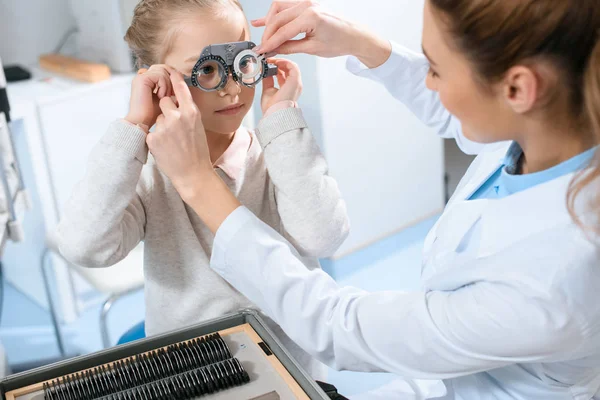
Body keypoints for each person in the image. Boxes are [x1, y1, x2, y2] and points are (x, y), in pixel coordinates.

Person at [131, 0, 600, 398]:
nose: (429, 83)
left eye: (435, 67)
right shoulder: (556, 128)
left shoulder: (555, 283)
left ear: (518, 88)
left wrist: (196, 182)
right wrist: (358, 42)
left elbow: (339, 324)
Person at [56, 0, 350, 380]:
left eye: (243, 61)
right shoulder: (146, 172)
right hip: (189, 368)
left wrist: (280, 115)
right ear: (156, 79)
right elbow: (85, 246)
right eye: (207, 69)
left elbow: (323, 237)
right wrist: (135, 127)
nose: (231, 89)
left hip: (286, 365)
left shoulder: (278, 151)